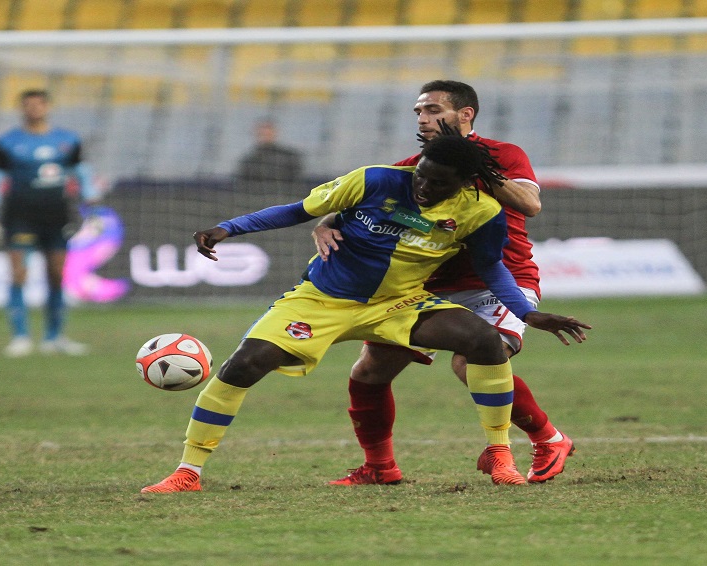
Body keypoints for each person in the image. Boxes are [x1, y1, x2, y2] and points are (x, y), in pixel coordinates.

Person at [140, 126, 591, 494]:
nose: (425, 186)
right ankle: (188, 472)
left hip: (400, 302)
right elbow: (297, 211)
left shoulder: (481, 211)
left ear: (465, 183)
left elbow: (491, 268)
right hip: (323, 298)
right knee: (243, 365)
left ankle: (499, 455)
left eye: (438, 183)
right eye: (422, 175)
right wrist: (227, 229)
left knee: (482, 341)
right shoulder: (374, 180)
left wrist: (527, 314)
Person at [315, 80, 572, 486]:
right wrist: (324, 225)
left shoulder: (503, 155)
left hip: (498, 282)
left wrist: (480, 169)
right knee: (369, 372)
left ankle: (548, 439)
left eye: (433, 110)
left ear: (465, 114)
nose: (423, 118)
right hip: (428, 289)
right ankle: (380, 468)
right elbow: (352, 205)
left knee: (470, 362)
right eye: (419, 112)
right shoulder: (414, 167)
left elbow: (530, 205)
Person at [0, 89, 100, 357]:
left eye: (38, 104)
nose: (34, 109)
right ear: (22, 109)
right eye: (28, 105)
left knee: (56, 275)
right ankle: (20, 337)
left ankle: (54, 337)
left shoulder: (67, 140)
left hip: (56, 215)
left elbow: (83, 175)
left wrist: (93, 208)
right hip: (20, 216)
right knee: (19, 274)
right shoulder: (7, 142)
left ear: (47, 107)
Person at [233, 120, 303, 186]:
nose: (265, 137)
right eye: (262, 134)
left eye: (268, 134)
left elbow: (297, 177)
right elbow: (242, 181)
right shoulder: (249, 160)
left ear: (274, 133)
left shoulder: (289, 156)